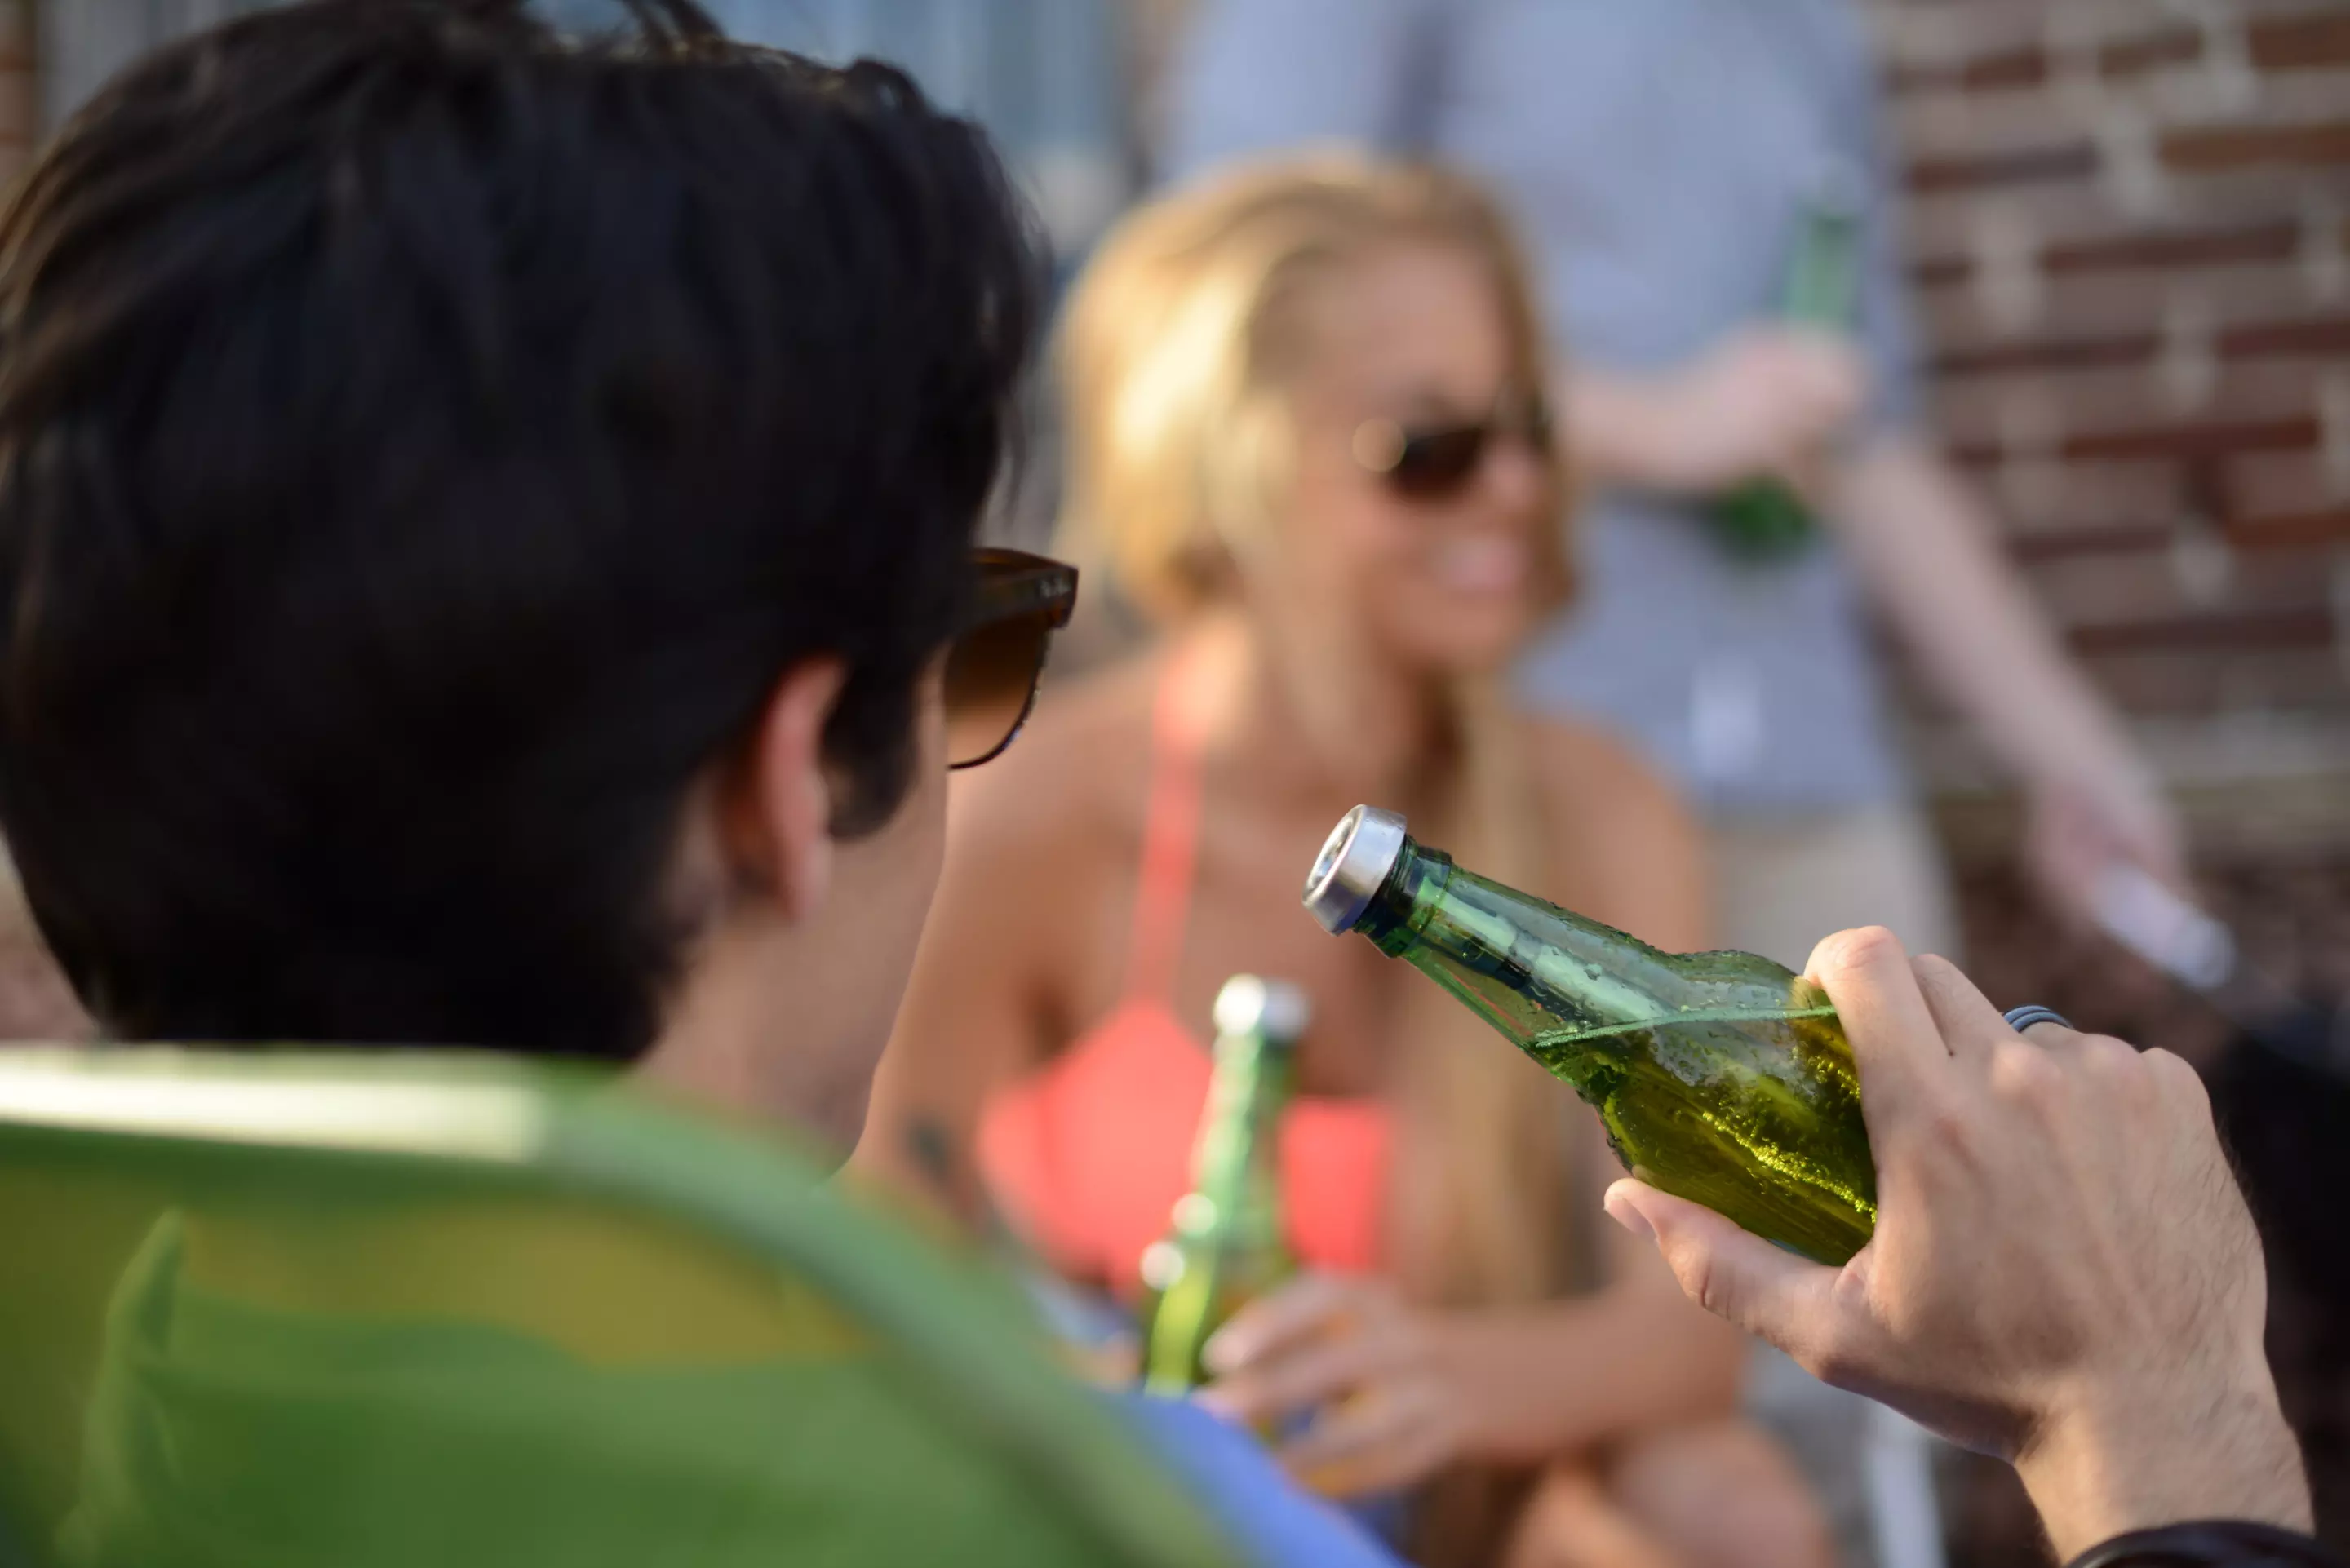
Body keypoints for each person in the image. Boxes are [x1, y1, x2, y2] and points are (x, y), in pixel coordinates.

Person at [0, 2, 2329, 1567]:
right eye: (975, 645)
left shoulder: (104, 1393)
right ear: (786, 784)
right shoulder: (1106, 1518)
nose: (1519, 494)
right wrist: (2167, 1414)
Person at [862, 155, 1830, 1568]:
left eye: (1532, 428)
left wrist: (1439, 1379)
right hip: (1121, 1503)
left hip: (1477, 1508)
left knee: (1718, 1509)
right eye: (1426, 448)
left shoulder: (1597, 806)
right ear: (1229, 472)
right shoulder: (1040, 814)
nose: (1512, 489)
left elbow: (1692, 1334)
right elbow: (884, 1266)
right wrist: (1153, 1425)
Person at [1162, 0, 2179, 999]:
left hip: (1805, 764)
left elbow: (1863, 436)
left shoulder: (1812, 26)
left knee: (1911, 1142)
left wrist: (2075, 760)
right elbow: (1240, 290)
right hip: (1498, 772)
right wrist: (1659, 425)